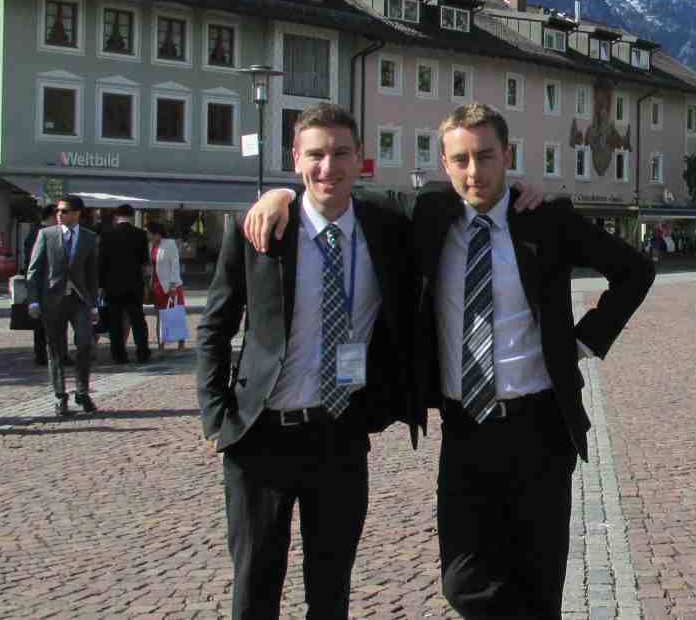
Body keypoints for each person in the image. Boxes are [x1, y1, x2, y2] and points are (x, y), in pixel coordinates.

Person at [243, 103, 654, 619]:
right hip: (466, 430)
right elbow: (343, 202)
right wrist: (282, 193)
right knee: (463, 581)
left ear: (508, 156)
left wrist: (583, 341)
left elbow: (635, 270)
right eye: (461, 159)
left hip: (540, 430)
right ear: (444, 162)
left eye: (486, 156)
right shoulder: (430, 219)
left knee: (539, 581)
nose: (474, 171)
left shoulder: (544, 221)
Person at [197, 103, 416, 620]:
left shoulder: (387, 227)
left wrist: (523, 191)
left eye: (341, 153)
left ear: (361, 159)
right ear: (295, 159)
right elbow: (215, 326)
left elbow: (453, 202)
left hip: (339, 436)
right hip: (261, 437)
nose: (328, 167)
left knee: (331, 585)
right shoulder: (260, 230)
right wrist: (215, 414)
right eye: (315, 154)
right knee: (255, 584)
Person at [27, 196, 101, 417]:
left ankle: (82, 391)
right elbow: (34, 270)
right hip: (53, 300)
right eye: (58, 211)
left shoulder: (89, 237)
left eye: (65, 211)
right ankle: (60, 396)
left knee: (85, 344)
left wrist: (94, 304)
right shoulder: (46, 235)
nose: (59, 214)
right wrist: (33, 300)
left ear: (77, 214)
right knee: (56, 350)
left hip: (80, 300)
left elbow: (92, 273)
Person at [98, 203, 152, 364]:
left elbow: (101, 262)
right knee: (137, 319)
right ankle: (142, 352)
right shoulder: (140, 234)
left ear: (116, 216)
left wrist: (101, 285)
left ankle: (118, 354)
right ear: (131, 215)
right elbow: (144, 259)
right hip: (134, 283)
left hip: (112, 284)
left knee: (115, 321)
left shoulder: (107, 234)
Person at [22, 203, 63, 366]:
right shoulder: (43, 233)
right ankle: (51, 354)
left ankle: (41, 354)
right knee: (50, 321)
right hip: (44, 282)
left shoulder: (33, 233)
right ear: (53, 216)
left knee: (40, 323)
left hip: (36, 281)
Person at [146, 222, 187, 349]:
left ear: (157, 233)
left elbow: (175, 264)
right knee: (161, 315)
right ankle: (161, 343)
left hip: (171, 284)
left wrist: (173, 286)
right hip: (157, 285)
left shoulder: (169, 244)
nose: (148, 235)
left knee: (176, 314)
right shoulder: (150, 245)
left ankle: (181, 343)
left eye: (149, 233)